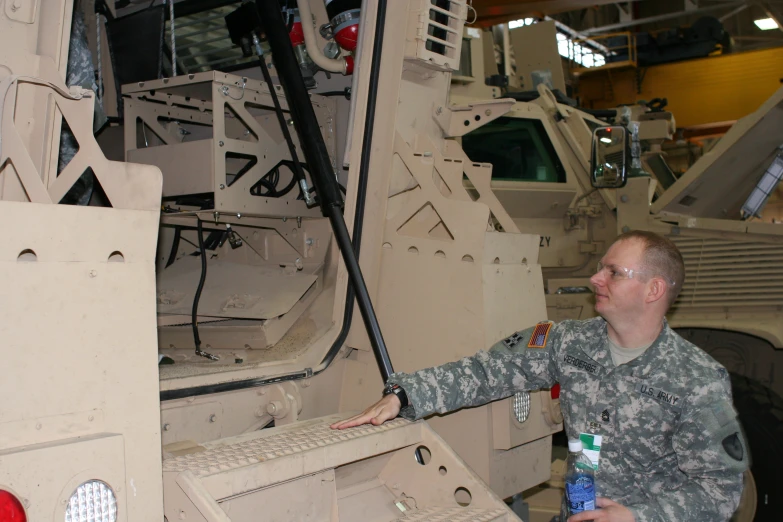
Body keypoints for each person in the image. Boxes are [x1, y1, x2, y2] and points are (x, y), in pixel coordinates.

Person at [332, 231, 748, 522]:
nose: (595, 279)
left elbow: (721, 491)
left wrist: (639, 517)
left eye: (614, 273)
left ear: (654, 290)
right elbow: (487, 370)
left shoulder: (696, 379)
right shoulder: (569, 343)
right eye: (601, 268)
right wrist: (404, 395)